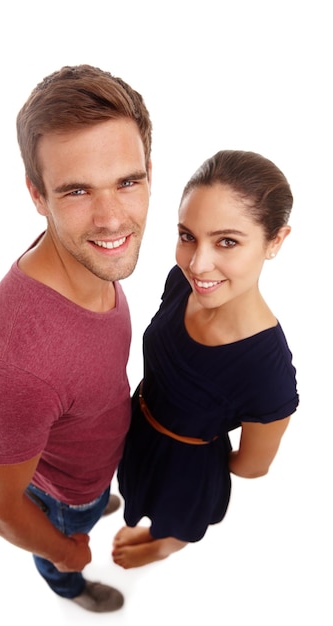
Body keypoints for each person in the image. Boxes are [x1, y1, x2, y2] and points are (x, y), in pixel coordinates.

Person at [0, 64, 152, 612]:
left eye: (128, 181)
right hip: (60, 501)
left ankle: (95, 498)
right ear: (37, 195)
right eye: (76, 191)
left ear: (148, 171)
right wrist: (65, 549)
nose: (113, 218)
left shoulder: (90, 258)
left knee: (93, 498)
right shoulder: (13, 367)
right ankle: (68, 585)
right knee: (67, 544)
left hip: (91, 463)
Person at [112, 149, 299, 569]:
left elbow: (251, 467)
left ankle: (162, 544)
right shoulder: (184, 281)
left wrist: (193, 453)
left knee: (173, 520)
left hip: (186, 464)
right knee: (133, 487)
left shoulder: (268, 373)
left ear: (276, 241)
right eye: (187, 236)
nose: (197, 264)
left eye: (227, 241)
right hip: (138, 426)